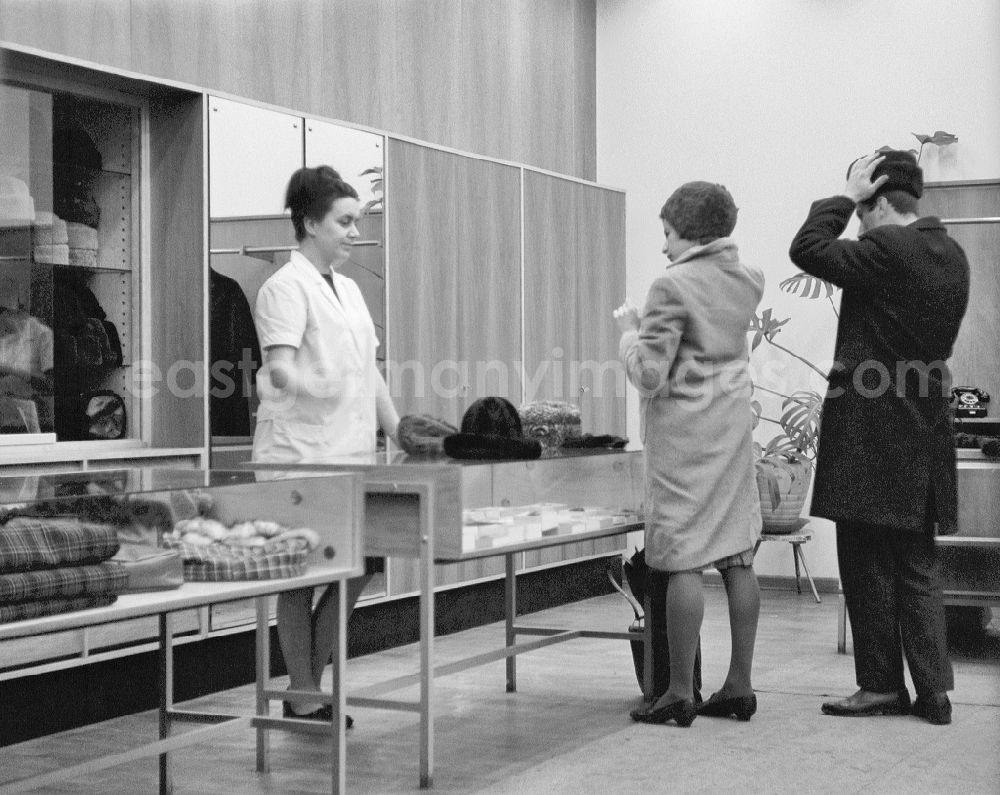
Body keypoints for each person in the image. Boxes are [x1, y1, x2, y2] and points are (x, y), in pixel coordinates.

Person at [789, 151, 969, 725]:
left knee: (866, 562)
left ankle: (880, 686)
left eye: (863, 209)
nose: (859, 221)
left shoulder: (889, 248)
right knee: (917, 562)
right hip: (924, 424)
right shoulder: (951, 253)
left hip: (873, 430)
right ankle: (934, 692)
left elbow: (808, 249)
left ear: (880, 200)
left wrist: (843, 195)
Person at [251, 165, 400, 721]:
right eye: (345, 221)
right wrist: (321, 384)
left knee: (358, 566)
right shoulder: (283, 288)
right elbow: (280, 370)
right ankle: (305, 689)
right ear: (311, 223)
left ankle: (304, 686)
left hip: (349, 453)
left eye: (356, 220)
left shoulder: (352, 290)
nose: (354, 231)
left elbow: (370, 370)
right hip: (299, 457)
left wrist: (397, 429)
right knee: (299, 577)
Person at [614, 181, 764, 727]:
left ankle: (678, 693)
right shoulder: (746, 280)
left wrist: (629, 335)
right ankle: (740, 687)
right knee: (738, 556)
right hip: (730, 434)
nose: (663, 246)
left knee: (681, 558)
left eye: (668, 234)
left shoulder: (671, 286)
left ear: (692, 235)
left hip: (684, 441)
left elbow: (650, 374)